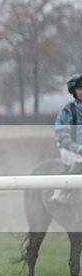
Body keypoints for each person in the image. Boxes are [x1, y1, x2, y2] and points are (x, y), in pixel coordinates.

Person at [51, 73, 82, 203]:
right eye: (80, 89)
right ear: (74, 91)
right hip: (70, 150)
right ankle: (62, 192)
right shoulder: (68, 111)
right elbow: (63, 136)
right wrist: (78, 148)